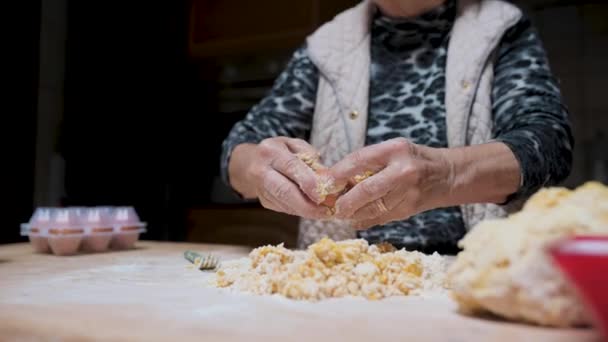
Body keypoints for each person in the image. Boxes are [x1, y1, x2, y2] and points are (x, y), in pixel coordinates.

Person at [219, 0, 573, 254]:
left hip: (471, 279)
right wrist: (260, 168)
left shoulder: (500, 27)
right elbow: (240, 149)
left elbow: (548, 144)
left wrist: (446, 174)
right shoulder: (326, 47)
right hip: (343, 286)